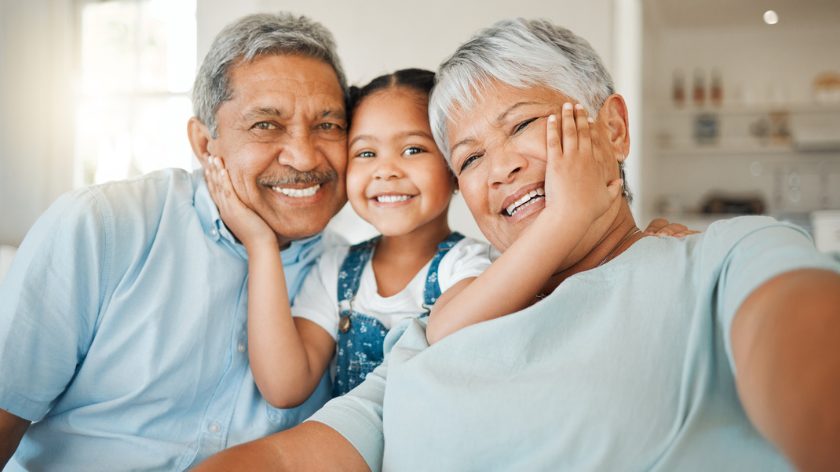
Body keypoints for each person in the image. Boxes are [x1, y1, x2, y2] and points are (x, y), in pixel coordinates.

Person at [197, 18, 840, 471]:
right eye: (471, 157)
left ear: (612, 128)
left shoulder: (726, 259)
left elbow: (807, 351)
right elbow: (295, 456)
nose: (498, 169)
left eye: (524, 124)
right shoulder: (433, 327)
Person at [0, 12, 351, 470]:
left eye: (328, 125)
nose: (305, 155)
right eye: (266, 124)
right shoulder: (100, 226)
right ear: (206, 144)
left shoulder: (351, 273)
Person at [203, 68, 494, 406]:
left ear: (454, 163)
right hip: (351, 456)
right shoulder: (337, 270)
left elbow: (451, 337)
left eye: (413, 150)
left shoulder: (471, 266)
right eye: (366, 153)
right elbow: (285, 387)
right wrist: (261, 245)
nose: (386, 170)